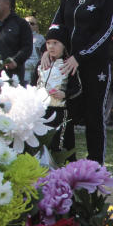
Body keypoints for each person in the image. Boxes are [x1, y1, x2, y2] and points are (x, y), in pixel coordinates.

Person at [49, 0, 113, 163]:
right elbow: (56, 23)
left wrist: (80, 56)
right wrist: (49, 48)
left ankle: (95, 165)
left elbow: (105, 33)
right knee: (65, 112)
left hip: (93, 67)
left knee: (93, 115)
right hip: (67, 65)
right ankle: (68, 161)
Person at [33, 27, 81, 163]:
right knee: (40, 142)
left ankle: (59, 170)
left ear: (64, 45)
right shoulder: (41, 64)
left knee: (58, 143)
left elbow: (77, 88)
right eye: (48, 43)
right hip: (40, 111)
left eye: (55, 43)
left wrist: (64, 94)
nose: (51, 46)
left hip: (60, 112)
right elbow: (33, 85)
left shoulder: (68, 64)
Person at [25, 16, 46, 84]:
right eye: (26, 22)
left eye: (32, 23)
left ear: (36, 26)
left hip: (34, 70)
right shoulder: (17, 37)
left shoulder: (41, 38)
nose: (29, 25)